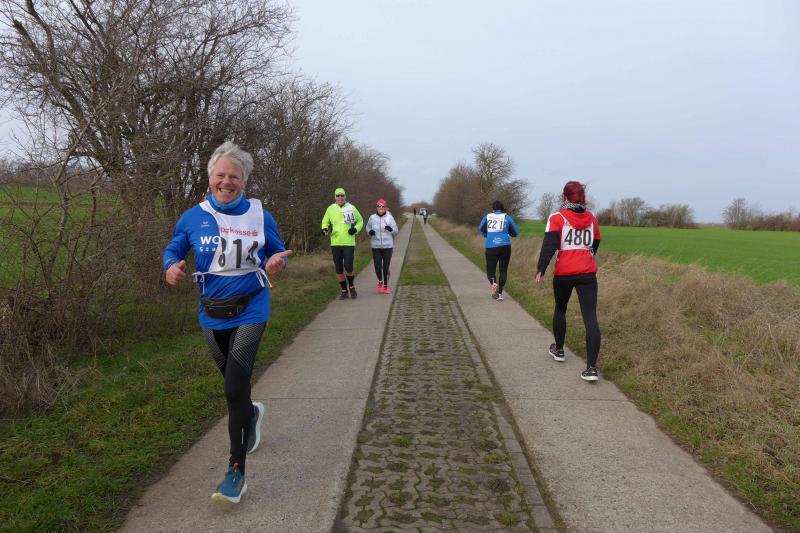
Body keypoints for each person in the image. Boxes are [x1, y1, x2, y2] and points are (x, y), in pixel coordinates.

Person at [163, 141, 292, 503]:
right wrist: (170, 267)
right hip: (212, 313)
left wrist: (277, 263)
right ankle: (251, 414)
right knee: (234, 386)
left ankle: (236, 473)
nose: (226, 182)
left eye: (234, 176)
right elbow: (173, 249)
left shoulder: (260, 216)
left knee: (234, 387)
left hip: (252, 308)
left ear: (244, 181)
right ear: (210, 178)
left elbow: (278, 252)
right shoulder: (193, 217)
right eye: (220, 175)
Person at [535, 181, 601, 382]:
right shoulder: (592, 218)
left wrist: (541, 269)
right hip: (587, 274)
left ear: (564, 197)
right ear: (583, 197)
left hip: (564, 273)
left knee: (560, 309)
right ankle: (591, 368)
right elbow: (596, 242)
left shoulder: (557, 218)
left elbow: (549, 245)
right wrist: (586, 256)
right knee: (590, 317)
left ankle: (559, 349)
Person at [321, 187, 363, 299]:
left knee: (348, 267)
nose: (340, 197)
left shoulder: (351, 207)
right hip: (335, 243)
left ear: (345, 196)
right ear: (335, 197)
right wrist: (325, 229)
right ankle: (344, 290)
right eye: (338, 195)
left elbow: (360, 221)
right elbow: (325, 222)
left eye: (342, 195)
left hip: (348, 242)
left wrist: (355, 229)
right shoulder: (330, 209)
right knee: (339, 269)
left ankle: (352, 287)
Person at [478, 200, 519, 301]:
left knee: (490, 270)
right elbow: (516, 232)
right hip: (505, 246)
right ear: (502, 208)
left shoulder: (488, 216)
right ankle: (500, 294)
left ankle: (493, 283)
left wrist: (487, 235)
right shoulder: (507, 217)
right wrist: (508, 233)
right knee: (503, 270)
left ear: (493, 209)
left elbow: (481, 228)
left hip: (491, 246)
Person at [366, 198, 399, 294]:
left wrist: (391, 229)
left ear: (385, 207)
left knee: (385, 267)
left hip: (388, 246)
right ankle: (380, 281)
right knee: (377, 267)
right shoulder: (372, 217)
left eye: (382, 206)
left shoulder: (389, 218)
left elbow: (396, 230)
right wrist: (370, 232)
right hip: (376, 246)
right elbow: (367, 227)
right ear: (376, 207)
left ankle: (385, 286)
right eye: (379, 206)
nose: (380, 208)